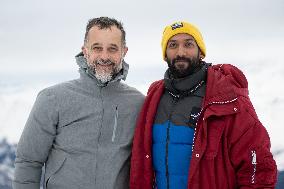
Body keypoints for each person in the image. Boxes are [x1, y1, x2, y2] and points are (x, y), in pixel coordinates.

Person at [129, 21, 277, 189]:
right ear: (165, 53)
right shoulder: (154, 96)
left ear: (201, 52)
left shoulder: (226, 98)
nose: (180, 52)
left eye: (188, 44)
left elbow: (258, 171)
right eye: (173, 45)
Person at [13, 17, 144, 189]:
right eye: (97, 48)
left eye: (112, 49)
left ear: (123, 52)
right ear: (85, 51)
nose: (104, 56)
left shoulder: (138, 103)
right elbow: (28, 162)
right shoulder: (52, 99)